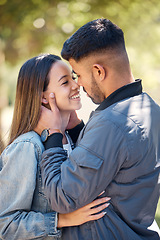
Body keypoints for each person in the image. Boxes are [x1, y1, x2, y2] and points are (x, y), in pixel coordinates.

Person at [37, 18, 160, 239]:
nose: (78, 84)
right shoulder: (150, 107)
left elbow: (63, 196)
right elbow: (115, 162)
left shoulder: (113, 123)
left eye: (79, 75)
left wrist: (53, 134)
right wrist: (76, 129)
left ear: (98, 71)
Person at [0, 53, 110, 240]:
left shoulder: (72, 138)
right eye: (65, 82)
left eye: (73, 78)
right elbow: (6, 225)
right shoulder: (28, 146)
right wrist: (62, 219)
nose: (77, 85)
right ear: (44, 97)